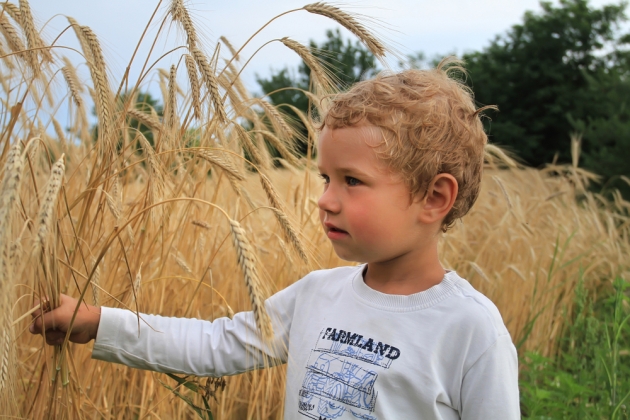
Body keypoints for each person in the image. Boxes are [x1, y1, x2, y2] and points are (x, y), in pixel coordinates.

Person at [30, 58, 520, 419]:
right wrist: (100, 322)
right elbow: (215, 344)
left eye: (351, 180)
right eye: (325, 178)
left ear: (434, 198)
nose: (325, 199)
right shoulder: (315, 295)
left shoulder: (471, 330)